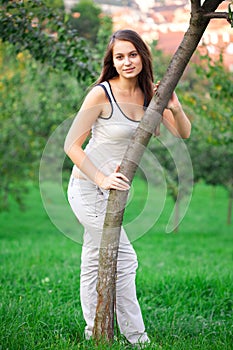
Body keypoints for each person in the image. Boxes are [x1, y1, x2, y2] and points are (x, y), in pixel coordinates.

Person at [64, 29, 191, 346]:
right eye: (119, 56)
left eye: (132, 54)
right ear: (112, 61)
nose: (126, 61)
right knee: (126, 258)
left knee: (93, 259)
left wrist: (173, 105)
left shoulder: (150, 95)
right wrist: (102, 178)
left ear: (142, 56)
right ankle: (137, 337)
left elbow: (183, 133)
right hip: (87, 188)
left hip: (114, 193)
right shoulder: (101, 94)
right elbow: (71, 145)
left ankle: (96, 332)